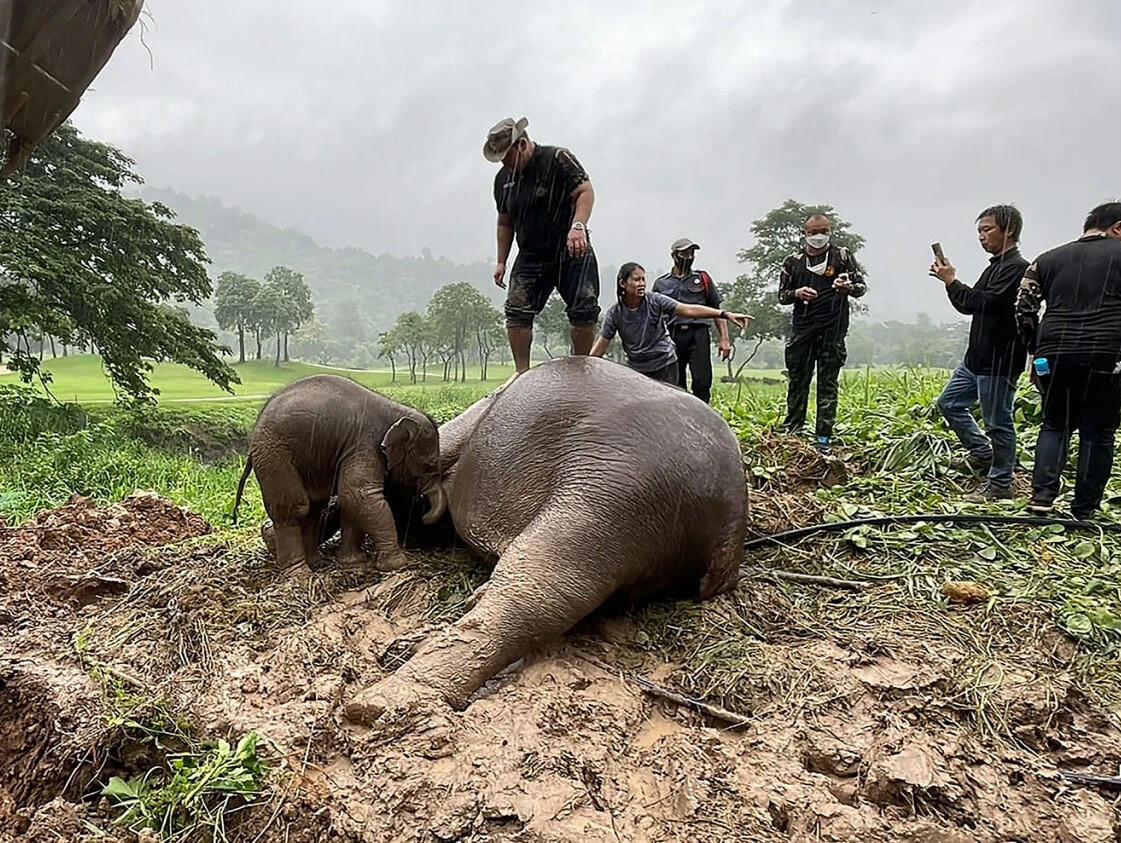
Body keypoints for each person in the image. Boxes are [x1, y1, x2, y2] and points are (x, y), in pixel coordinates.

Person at [1015, 201, 1121, 519]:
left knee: (1055, 424)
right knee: (1098, 432)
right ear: (1118, 228)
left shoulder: (1046, 259)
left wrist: (1034, 352)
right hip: (1109, 355)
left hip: (1052, 354)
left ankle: (1041, 498)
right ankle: (1084, 509)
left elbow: (1023, 309)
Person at [929, 205, 1030, 502]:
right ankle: (982, 453)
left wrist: (951, 280)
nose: (981, 237)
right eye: (979, 231)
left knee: (998, 422)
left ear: (1009, 230)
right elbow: (968, 304)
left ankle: (1000, 483)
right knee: (949, 403)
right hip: (976, 359)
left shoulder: (1016, 268)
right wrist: (951, 282)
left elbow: (983, 302)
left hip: (999, 361)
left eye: (987, 230)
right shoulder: (995, 266)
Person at [484, 116, 600, 373]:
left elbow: (585, 191)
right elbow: (505, 222)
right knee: (516, 311)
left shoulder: (558, 158)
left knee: (584, 309)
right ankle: (521, 373)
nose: (505, 164)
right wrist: (501, 260)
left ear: (522, 145)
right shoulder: (503, 180)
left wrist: (578, 226)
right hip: (531, 252)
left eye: (507, 157)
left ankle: (581, 367)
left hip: (570, 246)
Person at [777, 213, 867, 453]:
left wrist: (846, 287)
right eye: (813, 232)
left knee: (828, 384)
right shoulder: (792, 262)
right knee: (798, 382)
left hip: (833, 329)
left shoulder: (842, 256)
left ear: (830, 231)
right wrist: (797, 293)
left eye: (823, 231)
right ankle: (793, 432)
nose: (818, 236)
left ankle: (823, 438)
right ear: (804, 234)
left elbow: (861, 288)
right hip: (803, 329)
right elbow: (782, 295)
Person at [591, 262, 751, 384]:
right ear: (622, 283)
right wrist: (586, 365)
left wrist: (724, 314)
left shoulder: (655, 300)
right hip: (637, 369)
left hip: (664, 364)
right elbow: (602, 343)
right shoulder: (615, 313)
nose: (641, 284)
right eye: (636, 280)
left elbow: (688, 310)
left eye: (643, 279)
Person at [651, 238, 731, 403]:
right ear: (674, 256)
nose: (689, 257)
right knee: (674, 383)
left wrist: (724, 339)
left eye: (692, 253)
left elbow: (716, 310)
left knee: (702, 381)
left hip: (698, 335)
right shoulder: (661, 283)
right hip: (671, 336)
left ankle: (703, 418)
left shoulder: (702, 279)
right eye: (684, 253)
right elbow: (653, 315)